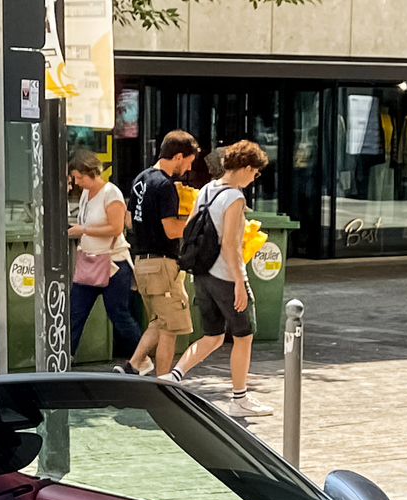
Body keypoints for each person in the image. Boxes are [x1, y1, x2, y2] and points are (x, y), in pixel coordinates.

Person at [168, 140, 271, 419]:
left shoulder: (206, 191)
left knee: (212, 335)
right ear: (247, 167)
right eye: (255, 172)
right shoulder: (235, 198)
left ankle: (174, 376)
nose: (254, 178)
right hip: (226, 275)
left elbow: (190, 228)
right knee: (244, 335)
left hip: (203, 274)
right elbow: (230, 246)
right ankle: (239, 398)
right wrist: (240, 282)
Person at [124, 129, 198, 378]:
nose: (187, 168)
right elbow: (171, 229)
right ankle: (165, 383)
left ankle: (133, 365)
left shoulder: (141, 179)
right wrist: (194, 221)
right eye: (188, 161)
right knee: (171, 327)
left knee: (159, 320)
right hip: (162, 263)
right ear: (178, 156)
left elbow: (130, 221)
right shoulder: (165, 185)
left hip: (141, 262)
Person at [66, 154, 143, 367]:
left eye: (79, 177)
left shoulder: (111, 193)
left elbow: (116, 228)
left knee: (119, 315)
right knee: (75, 312)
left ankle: (140, 357)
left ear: (91, 173)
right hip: (90, 261)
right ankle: (65, 356)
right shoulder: (86, 194)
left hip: (113, 264)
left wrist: (83, 230)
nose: (77, 182)